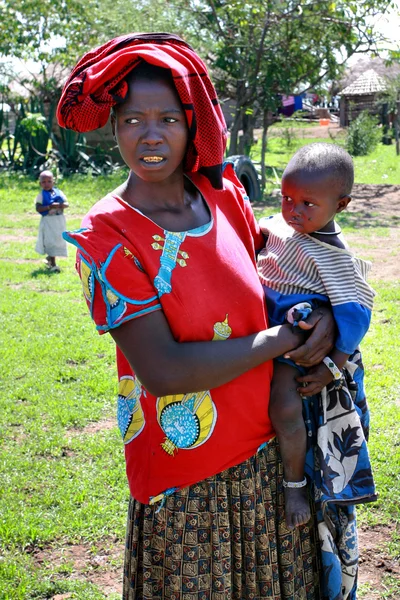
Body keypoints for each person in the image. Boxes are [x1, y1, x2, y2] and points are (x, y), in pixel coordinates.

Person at [57, 34, 371, 600]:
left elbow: (282, 273)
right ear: (113, 126)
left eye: (168, 119)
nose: (150, 135)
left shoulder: (223, 194)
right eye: (132, 119)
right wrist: (282, 339)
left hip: (272, 456)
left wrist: (323, 316)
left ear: (191, 122)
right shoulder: (106, 237)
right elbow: (166, 372)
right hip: (188, 478)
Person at [257, 143, 375, 532]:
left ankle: (294, 485)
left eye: (308, 204)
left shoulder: (333, 255)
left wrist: (330, 365)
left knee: (285, 408)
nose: (294, 210)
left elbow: (355, 315)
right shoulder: (277, 224)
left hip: (297, 344)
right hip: (262, 326)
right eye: (287, 198)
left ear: (341, 205)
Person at [34, 170, 68, 272]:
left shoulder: (59, 193)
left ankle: (50, 258)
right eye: (44, 182)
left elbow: (67, 204)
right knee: (50, 241)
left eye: (49, 181)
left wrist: (60, 205)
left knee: (58, 239)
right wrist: (49, 207)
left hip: (59, 221)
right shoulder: (41, 195)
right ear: (40, 184)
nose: (46, 184)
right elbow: (38, 208)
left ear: (53, 182)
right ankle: (53, 265)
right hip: (48, 221)